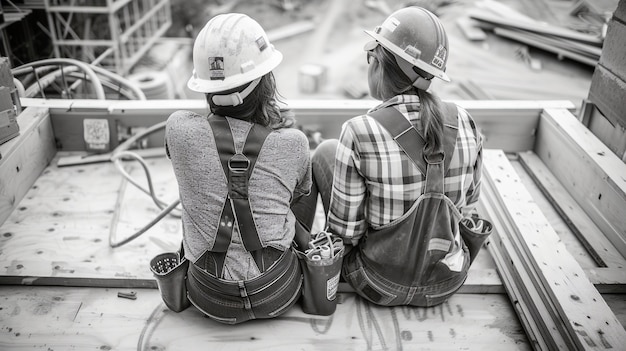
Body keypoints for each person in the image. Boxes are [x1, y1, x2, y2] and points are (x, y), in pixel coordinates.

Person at [313, 6, 484, 307]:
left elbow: (346, 233)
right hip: (445, 284)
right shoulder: (465, 121)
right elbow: (467, 210)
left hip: (377, 284)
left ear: (378, 62)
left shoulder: (359, 131)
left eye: (370, 54)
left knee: (325, 151)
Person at [165, 13, 316, 324]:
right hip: (275, 289)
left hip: (209, 296)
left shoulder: (178, 129)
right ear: (265, 82)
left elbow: (207, 130)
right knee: (298, 185)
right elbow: (300, 194)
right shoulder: (293, 143)